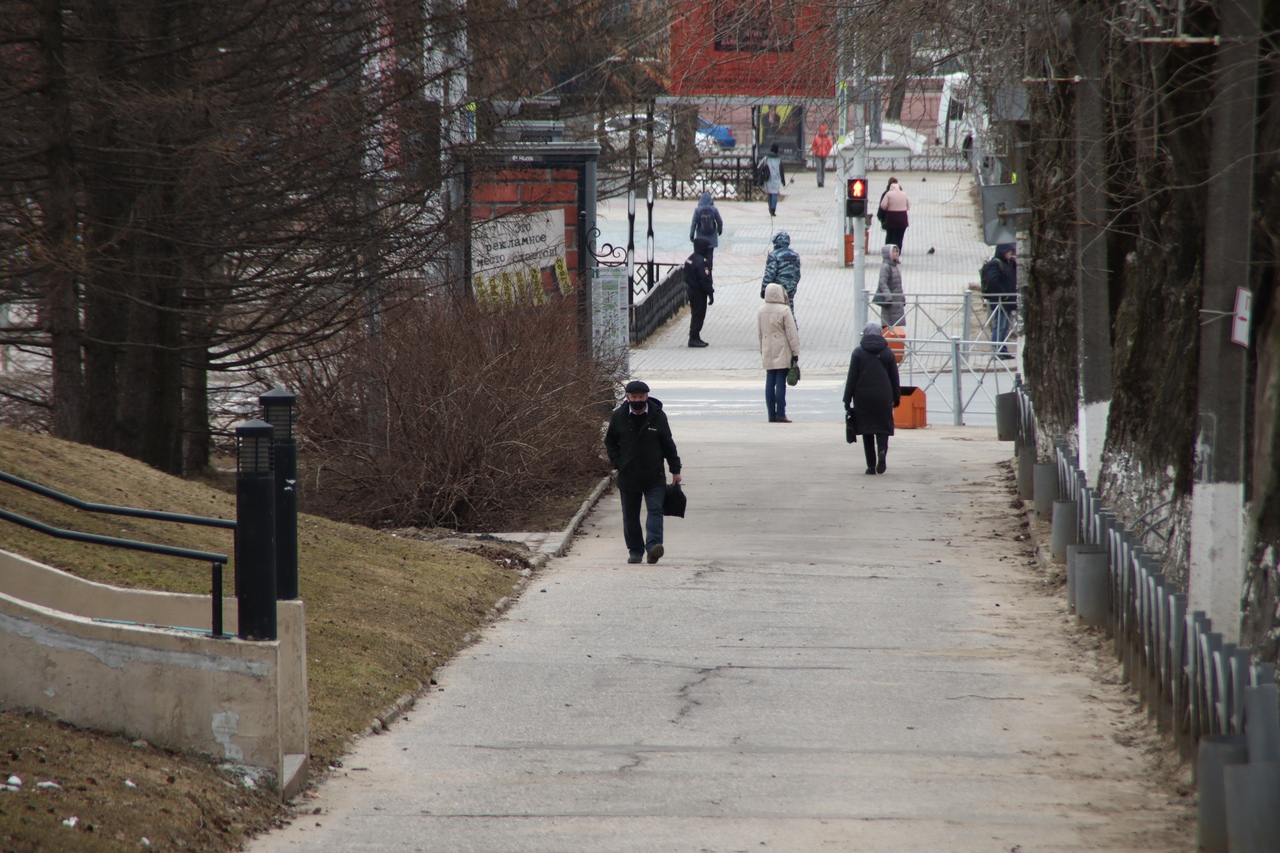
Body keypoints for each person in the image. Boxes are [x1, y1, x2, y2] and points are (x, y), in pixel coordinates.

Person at [604, 380, 682, 564]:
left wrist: (675, 469)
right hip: (628, 474)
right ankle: (635, 550)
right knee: (630, 515)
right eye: (634, 397)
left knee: (655, 510)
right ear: (627, 397)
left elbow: (668, 444)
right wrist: (618, 463)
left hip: (654, 475)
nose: (638, 400)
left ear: (647, 397)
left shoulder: (658, 416)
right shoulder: (618, 416)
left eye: (641, 397)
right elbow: (610, 442)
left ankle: (654, 547)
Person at [843, 321, 901, 475]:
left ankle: (870, 466)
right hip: (883, 396)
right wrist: (896, 396)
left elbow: (851, 378)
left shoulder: (858, 353)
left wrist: (847, 399)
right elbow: (894, 377)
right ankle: (882, 450)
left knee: (867, 429)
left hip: (863, 396)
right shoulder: (888, 353)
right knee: (882, 427)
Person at [758, 283, 800, 423]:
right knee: (780, 381)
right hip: (782, 349)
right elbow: (791, 333)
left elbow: (760, 333)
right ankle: (781, 414)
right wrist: (795, 352)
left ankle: (771, 414)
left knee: (770, 381)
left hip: (767, 349)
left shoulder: (761, 310)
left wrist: (762, 350)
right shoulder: (785, 310)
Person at [981, 243, 1017, 358]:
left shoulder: (1008, 263)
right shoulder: (995, 264)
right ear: (1003, 251)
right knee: (1000, 325)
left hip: (1008, 301)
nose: (1011, 253)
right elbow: (992, 280)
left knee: (1005, 326)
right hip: (1000, 300)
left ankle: (1002, 350)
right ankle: (997, 351)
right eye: (1009, 251)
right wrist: (1003, 293)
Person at [760, 230, 801, 315]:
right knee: (789, 312)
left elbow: (769, 275)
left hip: (777, 291)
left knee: (776, 313)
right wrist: (792, 285)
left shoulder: (774, 256)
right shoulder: (795, 255)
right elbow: (798, 274)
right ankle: (791, 323)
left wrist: (764, 291)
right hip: (790, 289)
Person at [683, 237, 714, 347]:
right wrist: (710, 293)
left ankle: (695, 336)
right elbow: (705, 279)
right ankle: (693, 338)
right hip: (699, 292)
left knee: (695, 313)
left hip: (691, 290)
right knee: (699, 315)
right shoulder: (701, 262)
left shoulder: (690, 259)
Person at [689, 191, 723, 271]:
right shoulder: (714, 210)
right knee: (710, 255)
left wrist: (691, 235)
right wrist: (719, 230)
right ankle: (709, 271)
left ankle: (702, 271)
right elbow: (719, 222)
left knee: (701, 256)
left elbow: (694, 223)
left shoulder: (697, 210)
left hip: (701, 239)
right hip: (712, 238)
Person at [873, 244, 906, 328]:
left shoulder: (894, 266)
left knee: (896, 326)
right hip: (890, 302)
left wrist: (902, 297)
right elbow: (882, 282)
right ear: (888, 254)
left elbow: (898, 285)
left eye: (896, 251)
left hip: (897, 302)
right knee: (889, 325)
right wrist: (888, 296)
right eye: (893, 252)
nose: (896, 253)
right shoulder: (886, 267)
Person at [877, 177, 910, 252]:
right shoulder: (904, 194)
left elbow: (883, 206)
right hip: (902, 219)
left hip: (891, 219)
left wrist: (881, 217)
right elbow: (908, 206)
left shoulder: (888, 194)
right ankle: (897, 253)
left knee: (890, 237)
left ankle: (889, 253)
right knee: (899, 238)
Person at [759, 143, 785, 216]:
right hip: (776, 179)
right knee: (774, 194)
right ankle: (773, 209)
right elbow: (781, 171)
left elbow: (759, 167)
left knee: (769, 194)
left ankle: (770, 207)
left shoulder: (766, 158)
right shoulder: (779, 159)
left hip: (767, 178)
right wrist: (783, 181)